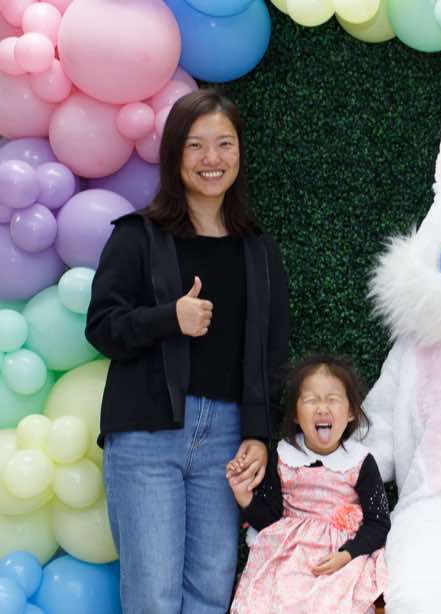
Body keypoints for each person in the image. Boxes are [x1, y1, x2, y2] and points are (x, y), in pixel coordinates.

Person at [86, 89, 290, 614]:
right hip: (147, 434)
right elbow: (102, 328)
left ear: (239, 153)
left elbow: (270, 354)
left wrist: (258, 434)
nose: (211, 158)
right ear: (174, 153)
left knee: (210, 592)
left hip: (225, 440)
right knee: (153, 596)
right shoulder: (137, 236)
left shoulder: (258, 249)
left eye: (224, 143)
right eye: (196, 145)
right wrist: (168, 318)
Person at [229, 355, 389, 614]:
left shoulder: (360, 462)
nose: (322, 408)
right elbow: (270, 519)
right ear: (295, 414)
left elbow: (378, 522)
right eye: (311, 400)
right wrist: (244, 496)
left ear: (350, 412)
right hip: (288, 556)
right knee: (274, 600)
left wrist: (348, 554)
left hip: (339, 558)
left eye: (333, 399)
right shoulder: (284, 456)